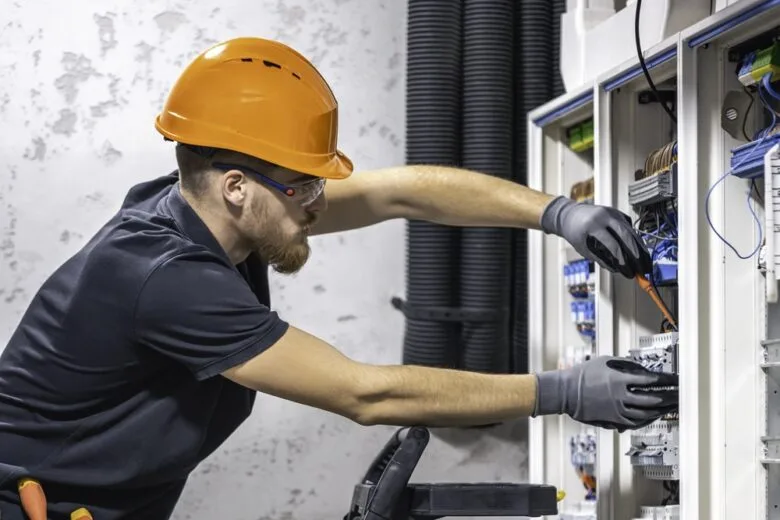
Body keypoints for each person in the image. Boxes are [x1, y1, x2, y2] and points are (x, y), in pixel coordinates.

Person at [0, 37, 677, 519]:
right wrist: (563, 392)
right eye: (302, 187)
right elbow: (365, 393)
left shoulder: (206, 206)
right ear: (237, 186)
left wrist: (559, 213)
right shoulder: (164, 275)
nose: (317, 204)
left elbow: (398, 194)